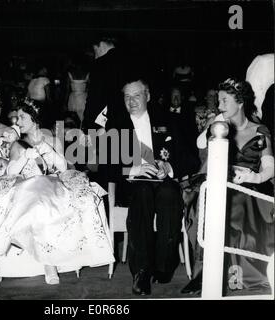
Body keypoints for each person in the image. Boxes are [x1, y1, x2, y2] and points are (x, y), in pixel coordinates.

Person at [0, 99, 114, 285]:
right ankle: (47, 264)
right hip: (25, 186)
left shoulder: (52, 139)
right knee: (35, 202)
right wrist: (24, 158)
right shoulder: (17, 143)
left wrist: (49, 152)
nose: (17, 121)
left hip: (52, 184)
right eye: (17, 117)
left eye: (22, 117)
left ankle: (49, 262)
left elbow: (63, 167)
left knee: (47, 197)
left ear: (34, 119)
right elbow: (10, 172)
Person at [182, 78, 274, 294]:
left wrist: (256, 177)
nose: (220, 106)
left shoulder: (260, 129)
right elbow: (204, 161)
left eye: (224, 101)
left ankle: (235, 275)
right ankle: (203, 275)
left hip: (253, 188)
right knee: (203, 200)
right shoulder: (218, 129)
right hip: (223, 184)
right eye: (219, 102)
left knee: (236, 203)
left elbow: (270, 167)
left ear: (240, 103)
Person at [109, 78, 189, 295]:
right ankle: (142, 271)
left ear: (148, 96)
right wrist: (133, 170)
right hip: (133, 184)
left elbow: (189, 158)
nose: (131, 101)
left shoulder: (168, 120)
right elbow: (106, 166)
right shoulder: (116, 124)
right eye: (127, 97)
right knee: (142, 193)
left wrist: (169, 166)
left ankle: (163, 265)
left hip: (163, 180)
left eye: (136, 95)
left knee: (169, 194)